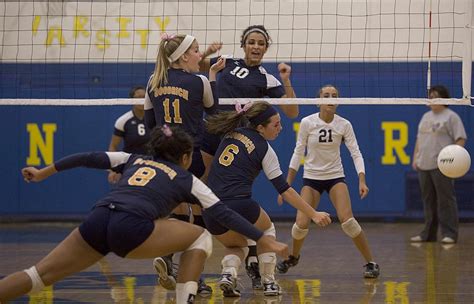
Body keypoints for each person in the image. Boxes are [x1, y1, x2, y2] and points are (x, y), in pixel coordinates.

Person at [0, 126, 288, 303]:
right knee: (200, 236)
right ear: (186, 157)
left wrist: (43, 172)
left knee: (38, 275)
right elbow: (223, 213)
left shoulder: (133, 159)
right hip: (132, 225)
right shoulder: (186, 178)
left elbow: (87, 158)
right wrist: (262, 238)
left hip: (99, 217)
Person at [200, 24, 300, 289]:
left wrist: (286, 77)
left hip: (238, 139)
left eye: (261, 43)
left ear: (266, 48)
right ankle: (187, 252)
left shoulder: (268, 79)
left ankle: (252, 264)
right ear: (243, 44)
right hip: (212, 132)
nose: (256, 47)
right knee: (202, 191)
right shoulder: (226, 62)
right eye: (251, 42)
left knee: (236, 197)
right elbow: (195, 66)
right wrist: (207, 53)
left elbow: (292, 112)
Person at [203, 101, 332, 297]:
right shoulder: (264, 148)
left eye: (280, 122)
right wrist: (313, 213)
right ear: (260, 127)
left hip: (210, 209)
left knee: (236, 245)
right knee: (267, 229)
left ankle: (228, 274)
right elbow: (285, 191)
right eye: (276, 124)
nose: (281, 128)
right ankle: (269, 281)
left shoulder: (229, 135)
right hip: (239, 203)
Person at [143, 33, 224, 294]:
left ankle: (167, 257)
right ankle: (194, 279)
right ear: (184, 56)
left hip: (164, 158)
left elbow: (148, 125)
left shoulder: (152, 81)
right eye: (197, 51)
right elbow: (215, 115)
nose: (200, 55)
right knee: (198, 220)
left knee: (177, 212)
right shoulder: (200, 81)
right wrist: (212, 77)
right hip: (191, 155)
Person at [275, 85, 380, 279]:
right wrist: (286, 184)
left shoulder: (344, 124)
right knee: (300, 224)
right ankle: (293, 257)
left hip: (334, 177)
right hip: (312, 179)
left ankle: (370, 262)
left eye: (334, 96)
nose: (330, 98)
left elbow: (355, 152)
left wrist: (362, 180)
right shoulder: (307, 122)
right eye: (326, 95)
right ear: (318, 101)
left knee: (348, 222)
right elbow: (298, 153)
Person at [410, 85, 467, 244]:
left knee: (445, 200)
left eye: (435, 96)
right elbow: (419, 139)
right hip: (424, 165)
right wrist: (415, 158)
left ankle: (449, 234)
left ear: (444, 98)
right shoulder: (425, 117)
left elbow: (460, 138)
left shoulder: (451, 117)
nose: (431, 99)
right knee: (428, 201)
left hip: (442, 166)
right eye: (430, 96)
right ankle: (428, 234)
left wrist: (455, 158)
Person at [108, 86, 149, 184]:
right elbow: (113, 146)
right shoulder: (123, 120)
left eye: (144, 97)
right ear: (131, 100)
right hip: (130, 166)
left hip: (153, 165)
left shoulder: (156, 118)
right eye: (138, 97)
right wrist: (113, 169)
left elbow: (168, 136)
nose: (141, 100)